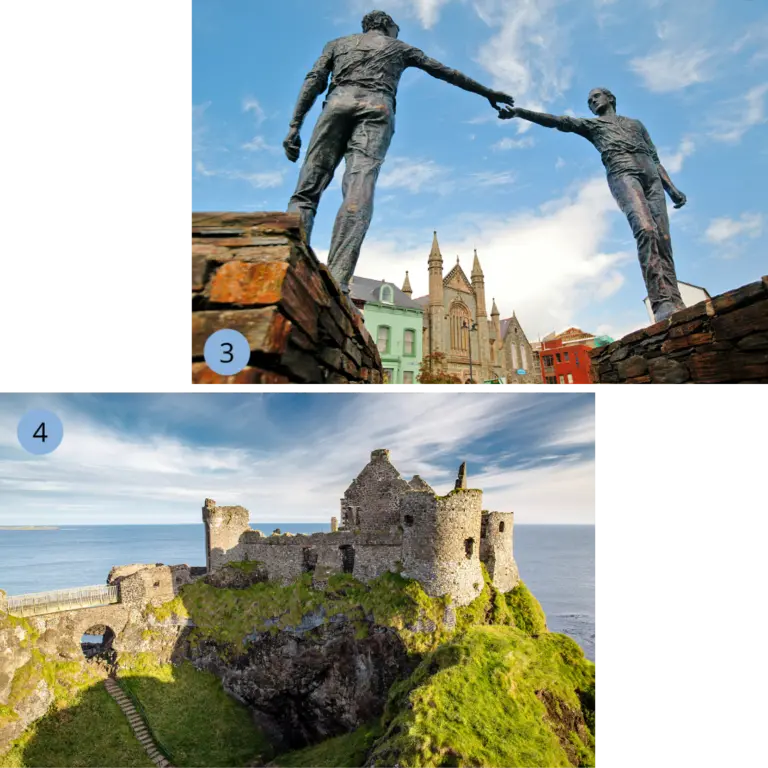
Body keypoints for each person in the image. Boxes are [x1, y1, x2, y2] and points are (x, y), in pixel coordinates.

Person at [284, 10, 514, 295]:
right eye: (396, 28)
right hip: (377, 108)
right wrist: (488, 93)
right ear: (386, 25)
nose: (398, 32)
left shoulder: (337, 44)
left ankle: (289, 263)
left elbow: (313, 81)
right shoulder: (400, 48)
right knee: (359, 188)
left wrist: (295, 125)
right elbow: (448, 73)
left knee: (307, 187)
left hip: (337, 104)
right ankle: (337, 280)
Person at [498, 88, 687, 322]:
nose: (592, 102)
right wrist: (520, 113)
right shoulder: (593, 126)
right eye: (589, 101)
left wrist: (672, 189)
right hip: (623, 172)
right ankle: (661, 302)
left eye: (596, 97)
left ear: (611, 98)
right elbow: (559, 121)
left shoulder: (636, 124)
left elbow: (655, 159)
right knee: (646, 230)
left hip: (651, 176)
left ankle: (676, 299)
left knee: (664, 239)